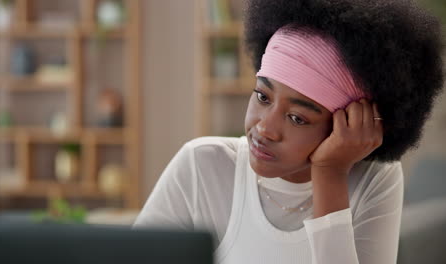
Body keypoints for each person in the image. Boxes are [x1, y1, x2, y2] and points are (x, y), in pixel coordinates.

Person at [134, 0, 444, 263]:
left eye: (297, 118)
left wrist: (330, 172)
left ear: (350, 123)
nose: (265, 128)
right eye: (262, 96)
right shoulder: (202, 165)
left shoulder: (375, 180)